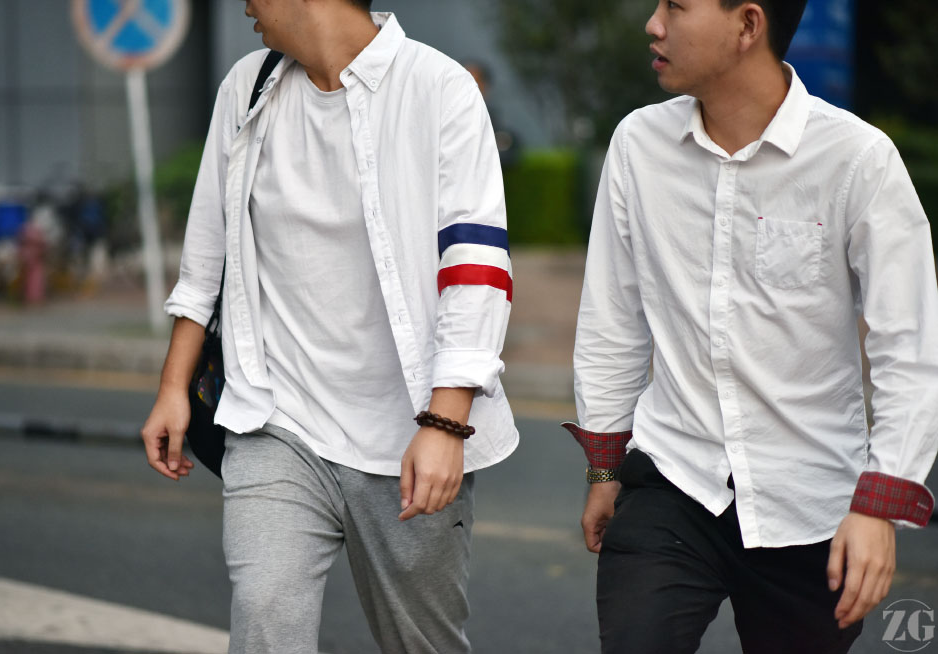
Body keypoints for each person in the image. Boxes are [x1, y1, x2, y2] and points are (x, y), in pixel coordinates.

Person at [139, 1, 518, 652]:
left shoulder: (438, 88)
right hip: (275, 421)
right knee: (264, 615)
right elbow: (206, 253)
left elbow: (476, 268)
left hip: (407, 434)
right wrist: (174, 387)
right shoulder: (247, 87)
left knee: (420, 642)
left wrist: (445, 422)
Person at [564, 0, 938, 652]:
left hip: (813, 506)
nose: (653, 23)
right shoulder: (638, 145)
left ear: (747, 25)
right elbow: (612, 319)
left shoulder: (857, 159)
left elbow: (909, 346)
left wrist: (878, 506)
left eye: (677, 6)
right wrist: (604, 469)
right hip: (673, 480)